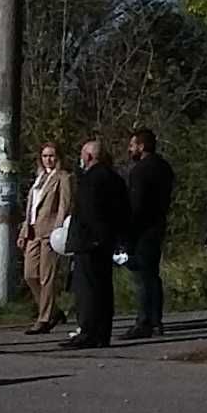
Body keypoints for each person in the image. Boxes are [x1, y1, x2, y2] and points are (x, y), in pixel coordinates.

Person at [63, 137, 131, 351]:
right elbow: (123, 210)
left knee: (87, 289)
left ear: (89, 156)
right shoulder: (115, 178)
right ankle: (102, 332)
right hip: (107, 241)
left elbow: (89, 212)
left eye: (83, 155)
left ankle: (88, 332)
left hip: (89, 242)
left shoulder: (90, 179)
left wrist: (87, 237)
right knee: (103, 288)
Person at [121, 125, 177, 341]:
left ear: (142, 146)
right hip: (158, 225)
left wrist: (128, 230)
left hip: (142, 229)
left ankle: (144, 321)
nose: (130, 149)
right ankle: (156, 319)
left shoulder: (140, 171)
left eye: (133, 145)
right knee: (153, 275)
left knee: (143, 276)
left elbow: (136, 204)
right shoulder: (164, 167)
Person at [19, 142, 71, 334]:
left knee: (46, 277)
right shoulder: (39, 178)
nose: (48, 159)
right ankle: (53, 310)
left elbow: (64, 206)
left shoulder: (62, 177)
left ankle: (44, 318)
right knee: (30, 274)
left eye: (51, 155)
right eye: (44, 156)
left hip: (49, 232)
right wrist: (25, 229)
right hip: (33, 231)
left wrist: (58, 231)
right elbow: (31, 207)